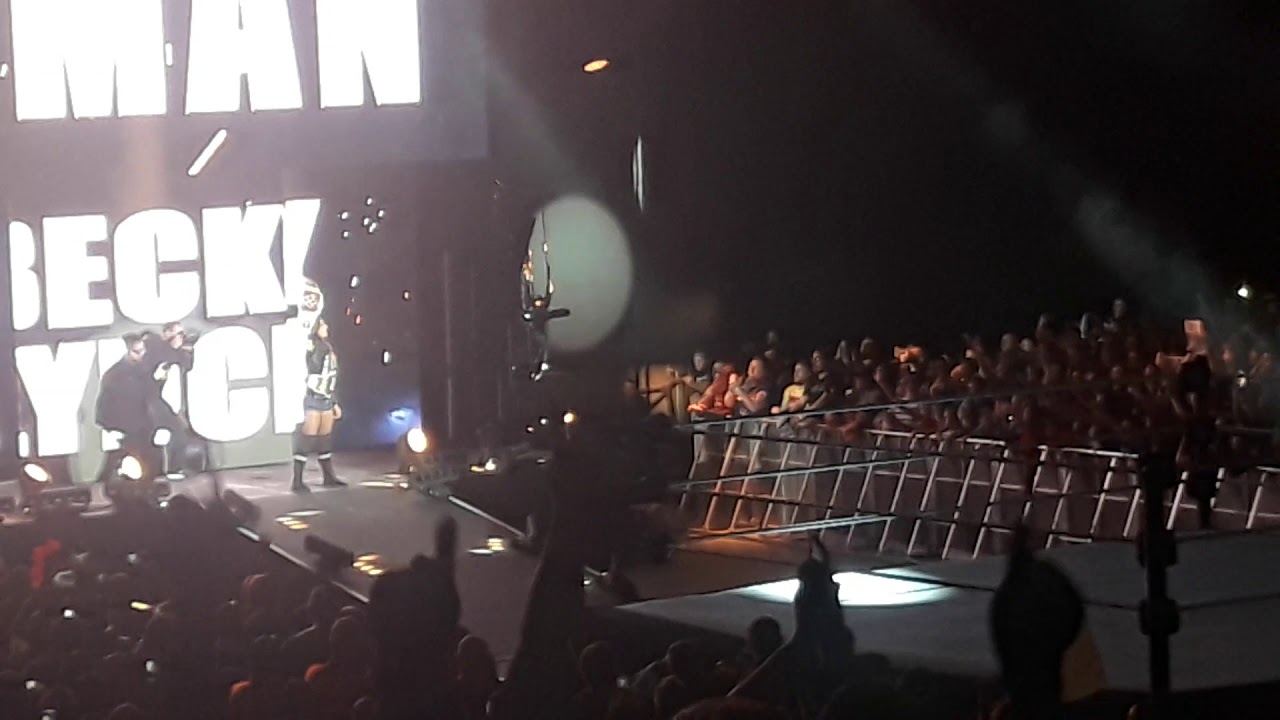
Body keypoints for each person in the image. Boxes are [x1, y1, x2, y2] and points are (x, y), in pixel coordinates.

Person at [95, 333, 161, 487]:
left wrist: (158, 381)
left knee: (150, 462)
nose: (141, 355)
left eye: (143, 350)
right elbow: (104, 402)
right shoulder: (114, 374)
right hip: (125, 428)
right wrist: (110, 426)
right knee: (120, 460)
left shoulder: (144, 370)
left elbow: (150, 396)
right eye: (137, 352)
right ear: (127, 351)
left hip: (144, 427)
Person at [294, 318, 344, 492]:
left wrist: (334, 402)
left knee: (325, 439)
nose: (327, 327)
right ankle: (297, 480)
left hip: (326, 398)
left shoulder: (327, 346)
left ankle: (329, 476)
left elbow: (331, 377)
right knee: (307, 440)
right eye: (323, 325)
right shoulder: (311, 347)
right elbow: (312, 368)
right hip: (313, 398)